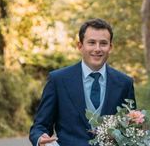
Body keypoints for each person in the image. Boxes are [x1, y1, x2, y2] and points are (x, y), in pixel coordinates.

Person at [29, 18, 136, 146]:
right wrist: (40, 138)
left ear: (110, 47)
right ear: (80, 46)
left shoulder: (125, 83)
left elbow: (132, 128)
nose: (97, 49)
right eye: (91, 42)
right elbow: (40, 126)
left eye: (103, 43)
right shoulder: (58, 80)